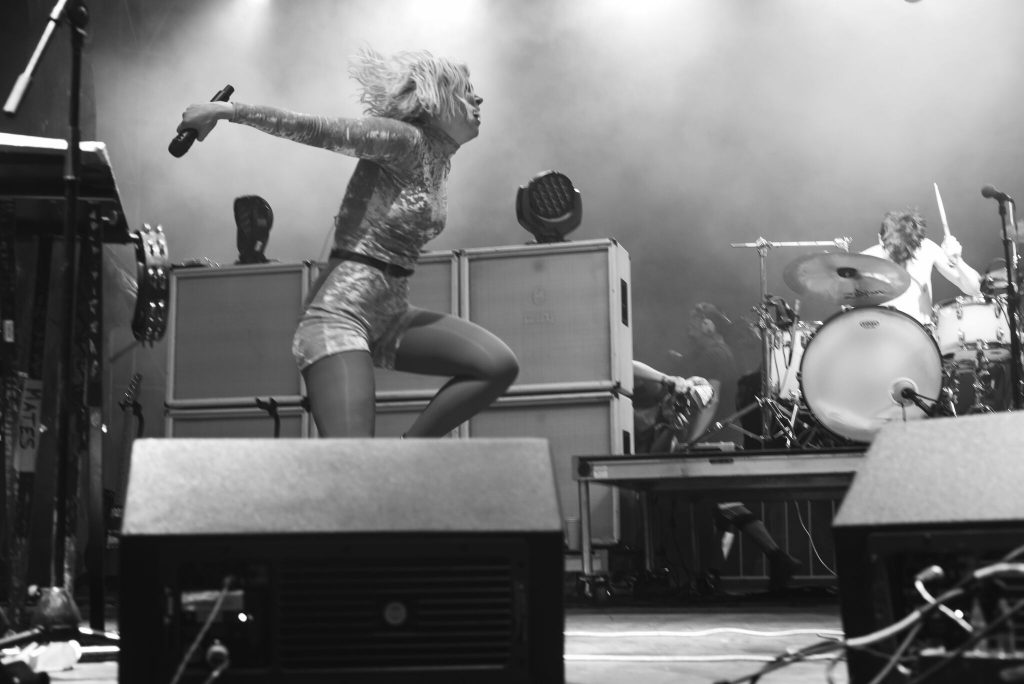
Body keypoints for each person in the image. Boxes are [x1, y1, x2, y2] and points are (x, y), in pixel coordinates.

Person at [176, 48, 518, 437]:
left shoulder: (440, 160)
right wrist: (227, 111)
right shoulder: (404, 140)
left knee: (496, 365)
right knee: (353, 461)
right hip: (337, 317)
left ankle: (407, 455)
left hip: (389, 315)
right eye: (466, 91)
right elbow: (318, 129)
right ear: (437, 100)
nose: (478, 98)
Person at [861, 209, 982, 324]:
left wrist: (957, 261)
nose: (902, 260)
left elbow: (974, 289)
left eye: (908, 252)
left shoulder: (926, 248)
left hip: (923, 334)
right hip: (883, 335)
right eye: (895, 253)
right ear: (880, 240)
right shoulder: (863, 262)